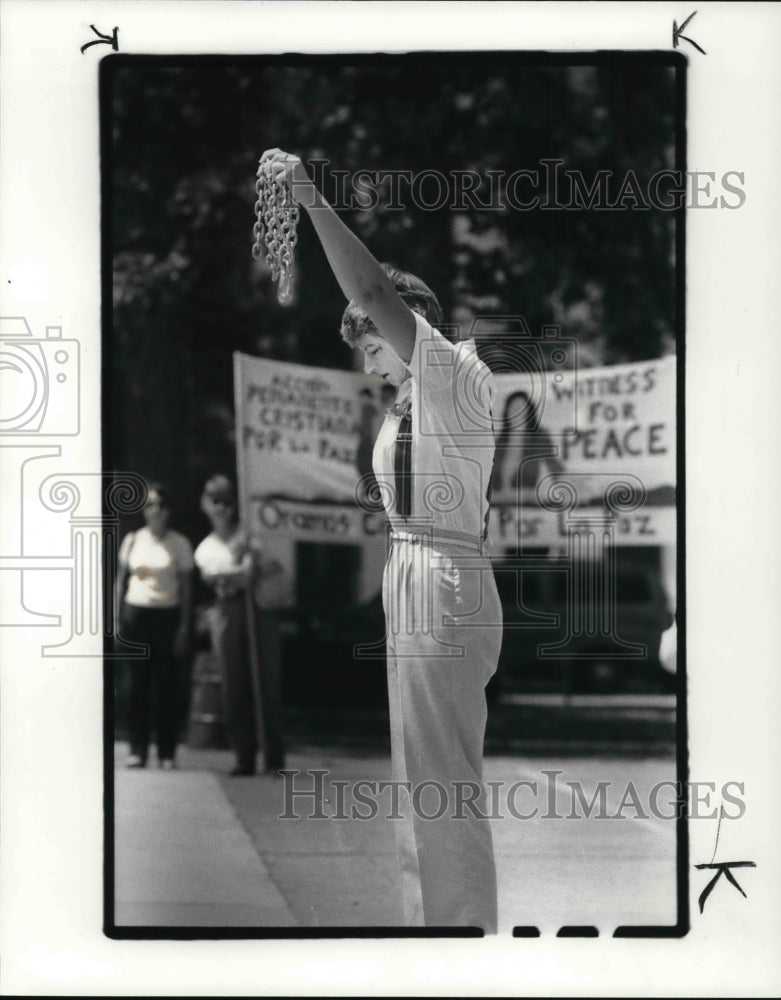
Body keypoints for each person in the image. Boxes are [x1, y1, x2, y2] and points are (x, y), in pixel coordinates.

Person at [261, 149, 503, 931]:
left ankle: (459, 933)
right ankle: (428, 925)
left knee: (440, 773)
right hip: (415, 563)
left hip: (445, 571)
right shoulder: (407, 400)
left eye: (372, 342)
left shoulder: (453, 373)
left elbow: (367, 286)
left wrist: (305, 196)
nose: (367, 360)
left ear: (408, 326)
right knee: (418, 773)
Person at [194, 475, 285, 776]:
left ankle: (273, 757)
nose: (221, 507)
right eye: (214, 500)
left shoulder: (250, 535)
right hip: (228, 613)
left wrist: (238, 571)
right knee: (234, 684)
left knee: (265, 682)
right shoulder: (205, 548)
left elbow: (260, 572)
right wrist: (242, 570)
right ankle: (244, 755)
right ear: (206, 504)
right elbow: (218, 578)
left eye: (227, 500)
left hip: (257, 608)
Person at [115, 482, 194, 769]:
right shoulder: (133, 540)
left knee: (166, 687)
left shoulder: (179, 543)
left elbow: (187, 587)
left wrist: (184, 627)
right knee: (136, 686)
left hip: (167, 616)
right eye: (150, 505)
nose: (155, 510)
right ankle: (137, 750)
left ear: (169, 510)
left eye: (161, 505)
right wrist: (116, 616)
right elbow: (121, 580)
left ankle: (166, 753)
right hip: (136, 614)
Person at [492, 389, 565, 503]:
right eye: (514, 408)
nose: (517, 413)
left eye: (522, 409)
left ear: (529, 412)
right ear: (507, 411)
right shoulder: (499, 442)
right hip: (497, 505)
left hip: (528, 507)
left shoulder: (539, 438)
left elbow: (555, 470)